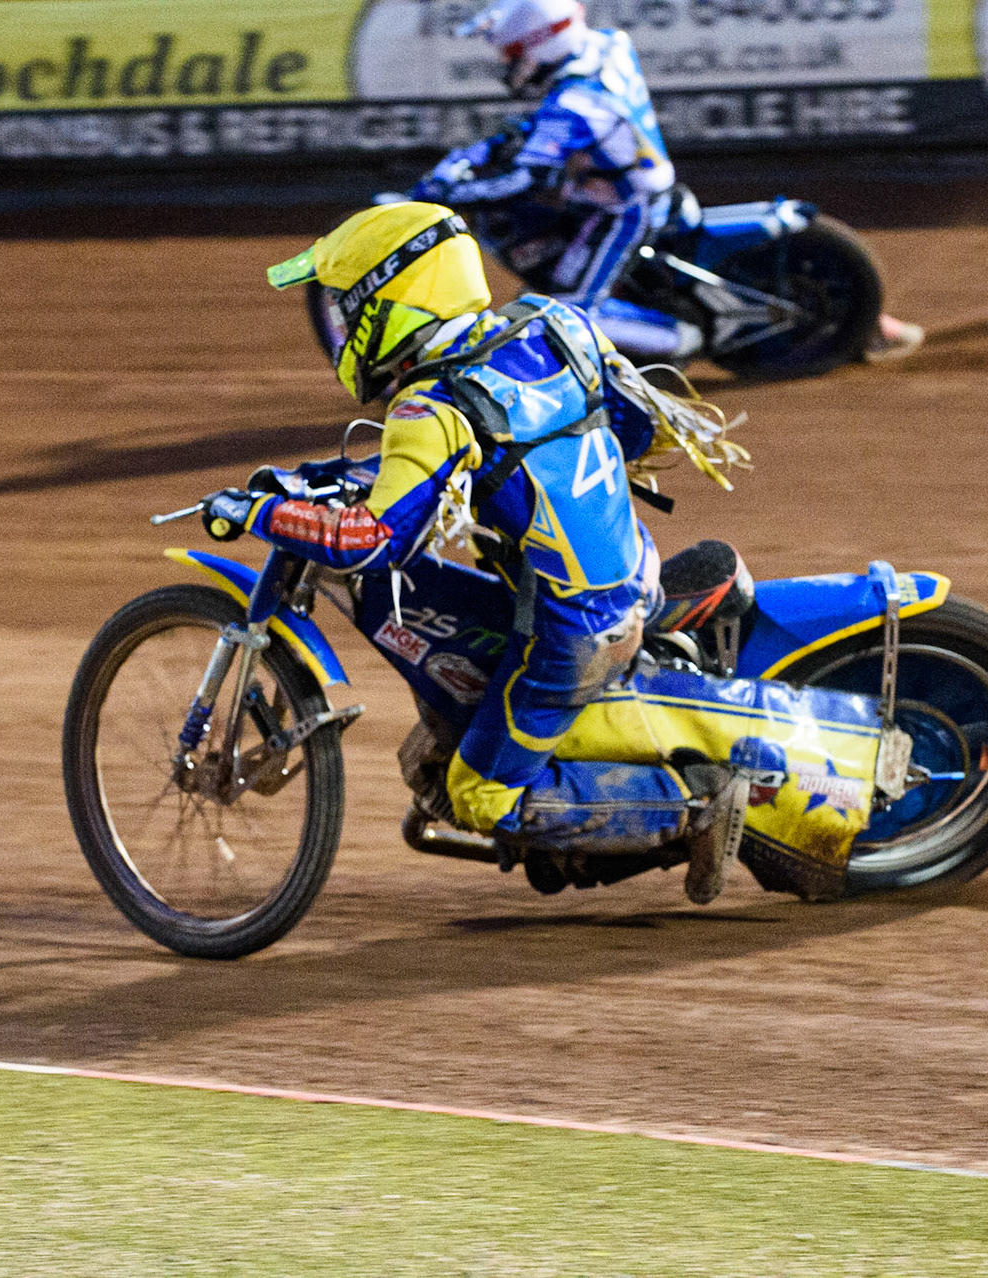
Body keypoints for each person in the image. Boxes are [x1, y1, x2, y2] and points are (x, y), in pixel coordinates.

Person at [202, 200, 750, 903]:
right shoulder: (555, 324)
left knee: (476, 796)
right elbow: (642, 428)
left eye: (348, 312)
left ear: (391, 303)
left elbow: (369, 543)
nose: (339, 332)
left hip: (573, 633)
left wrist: (259, 511)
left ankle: (697, 803)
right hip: (632, 568)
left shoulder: (430, 411)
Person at [414, 0, 924, 364]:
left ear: (541, 44)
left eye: (511, 53)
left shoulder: (575, 104)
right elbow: (531, 133)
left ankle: (677, 339)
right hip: (644, 184)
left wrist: (451, 194)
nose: (508, 65)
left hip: (622, 210)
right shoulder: (606, 48)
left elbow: (528, 177)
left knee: (565, 312)